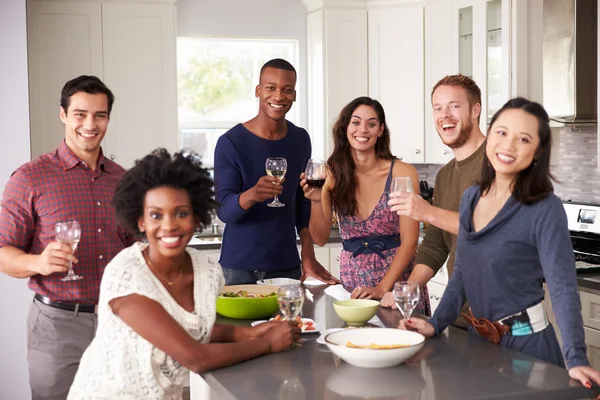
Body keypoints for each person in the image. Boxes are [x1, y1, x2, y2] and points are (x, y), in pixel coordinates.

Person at [398, 97, 600, 388]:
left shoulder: (545, 209)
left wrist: (576, 358)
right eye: (502, 132)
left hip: (528, 351)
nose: (508, 146)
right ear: (490, 135)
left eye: (524, 139)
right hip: (478, 345)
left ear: (538, 151)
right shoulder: (472, 198)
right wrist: (435, 323)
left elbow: (563, 287)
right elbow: (464, 273)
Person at [68, 149, 300, 399]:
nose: (169, 225)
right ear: (141, 222)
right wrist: (266, 344)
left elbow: (191, 325)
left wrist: (248, 332)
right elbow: (195, 357)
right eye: (156, 215)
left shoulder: (205, 269)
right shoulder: (127, 275)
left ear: (196, 218)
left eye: (181, 213)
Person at [0, 75, 133, 400]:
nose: (90, 124)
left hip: (118, 322)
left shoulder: (124, 180)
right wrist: (39, 262)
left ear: (108, 119)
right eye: (80, 114)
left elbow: (136, 250)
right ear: (63, 114)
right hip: (57, 327)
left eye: (99, 115)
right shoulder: (30, 178)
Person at [214, 58, 337, 285]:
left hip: (286, 267)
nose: (279, 96)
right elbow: (223, 210)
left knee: (289, 322)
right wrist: (253, 194)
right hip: (238, 268)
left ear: (295, 95)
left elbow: (303, 204)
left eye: (287, 90)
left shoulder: (300, 139)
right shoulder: (231, 142)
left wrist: (307, 256)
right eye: (271, 88)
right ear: (258, 91)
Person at [300, 96, 429, 313]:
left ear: (380, 130)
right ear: (345, 128)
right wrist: (315, 200)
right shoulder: (332, 175)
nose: (363, 130)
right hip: (354, 285)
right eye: (356, 122)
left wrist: (381, 288)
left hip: (396, 284)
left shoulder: (402, 173)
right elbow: (320, 238)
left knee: (403, 342)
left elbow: (410, 241)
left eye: (371, 124)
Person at [382, 75, 487, 321]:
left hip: (504, 321)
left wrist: (426, 212)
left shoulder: (498, 162)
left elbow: (490, 228)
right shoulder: (445, 175)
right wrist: (411, 286)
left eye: (454, 106)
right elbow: (437, 242)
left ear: (475, 110)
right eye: (438, 108)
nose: (445, 115)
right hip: (463, 316)